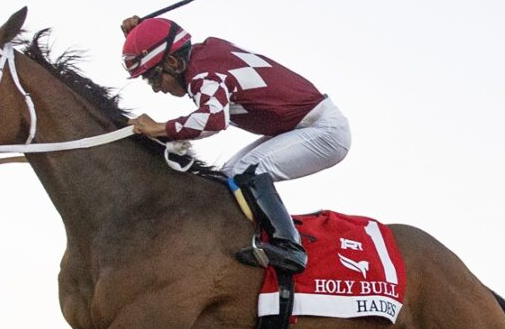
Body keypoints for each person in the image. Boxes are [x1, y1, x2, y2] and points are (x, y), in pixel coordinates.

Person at [119, 14, 351, 275]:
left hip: (323, 130)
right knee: (227, 176)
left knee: (246, 170)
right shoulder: (203, 54)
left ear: (173, 61)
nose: (156, 89)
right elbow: (168, 40)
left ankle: (289, 248)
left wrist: (160, 127)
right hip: (301, 126)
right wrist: (144, 34)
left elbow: (214, 119)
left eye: (153, 77)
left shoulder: (203, 74)